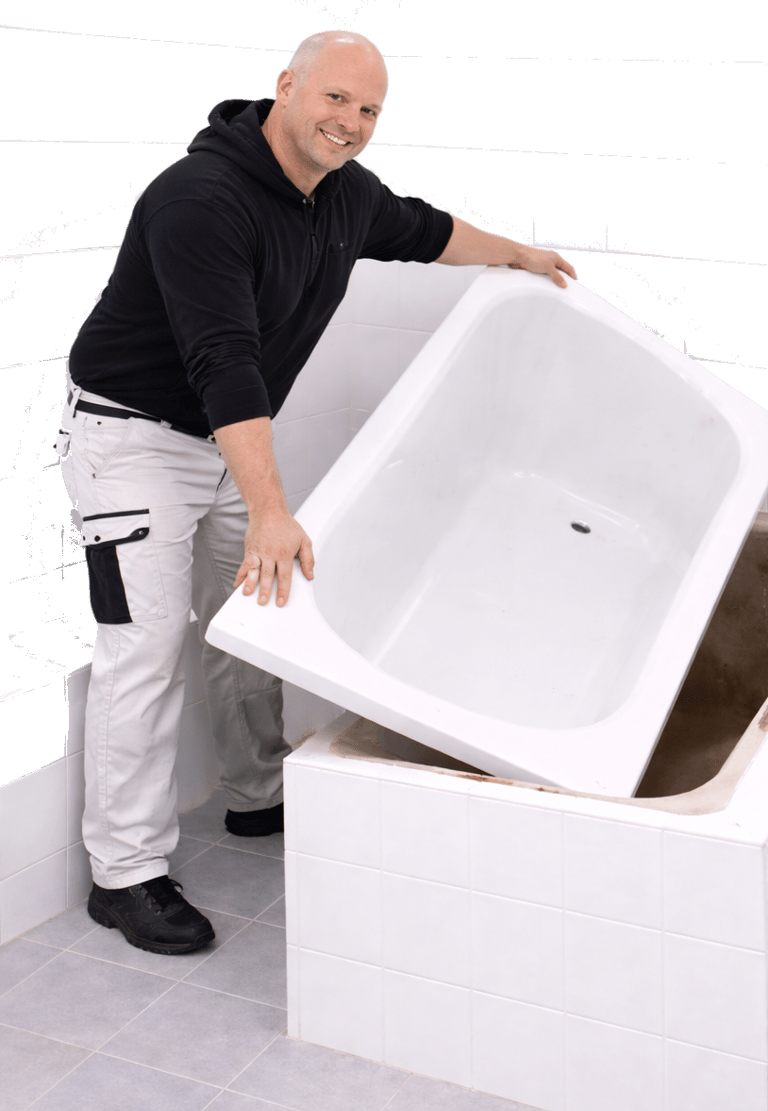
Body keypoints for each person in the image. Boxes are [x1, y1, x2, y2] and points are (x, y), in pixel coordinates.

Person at [57, 29, 577, 956]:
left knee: (257, 617)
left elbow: (426, 231)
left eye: (369, 109)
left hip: (221, 439)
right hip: (131, 441)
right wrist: (271, 509)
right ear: (288, 87)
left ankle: (259, 794)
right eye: (336, 98)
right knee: (145, 648)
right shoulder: (196, 199)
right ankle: (124, 874)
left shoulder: (343, 195)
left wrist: (518, 256)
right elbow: (224, 360)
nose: (352, 122)